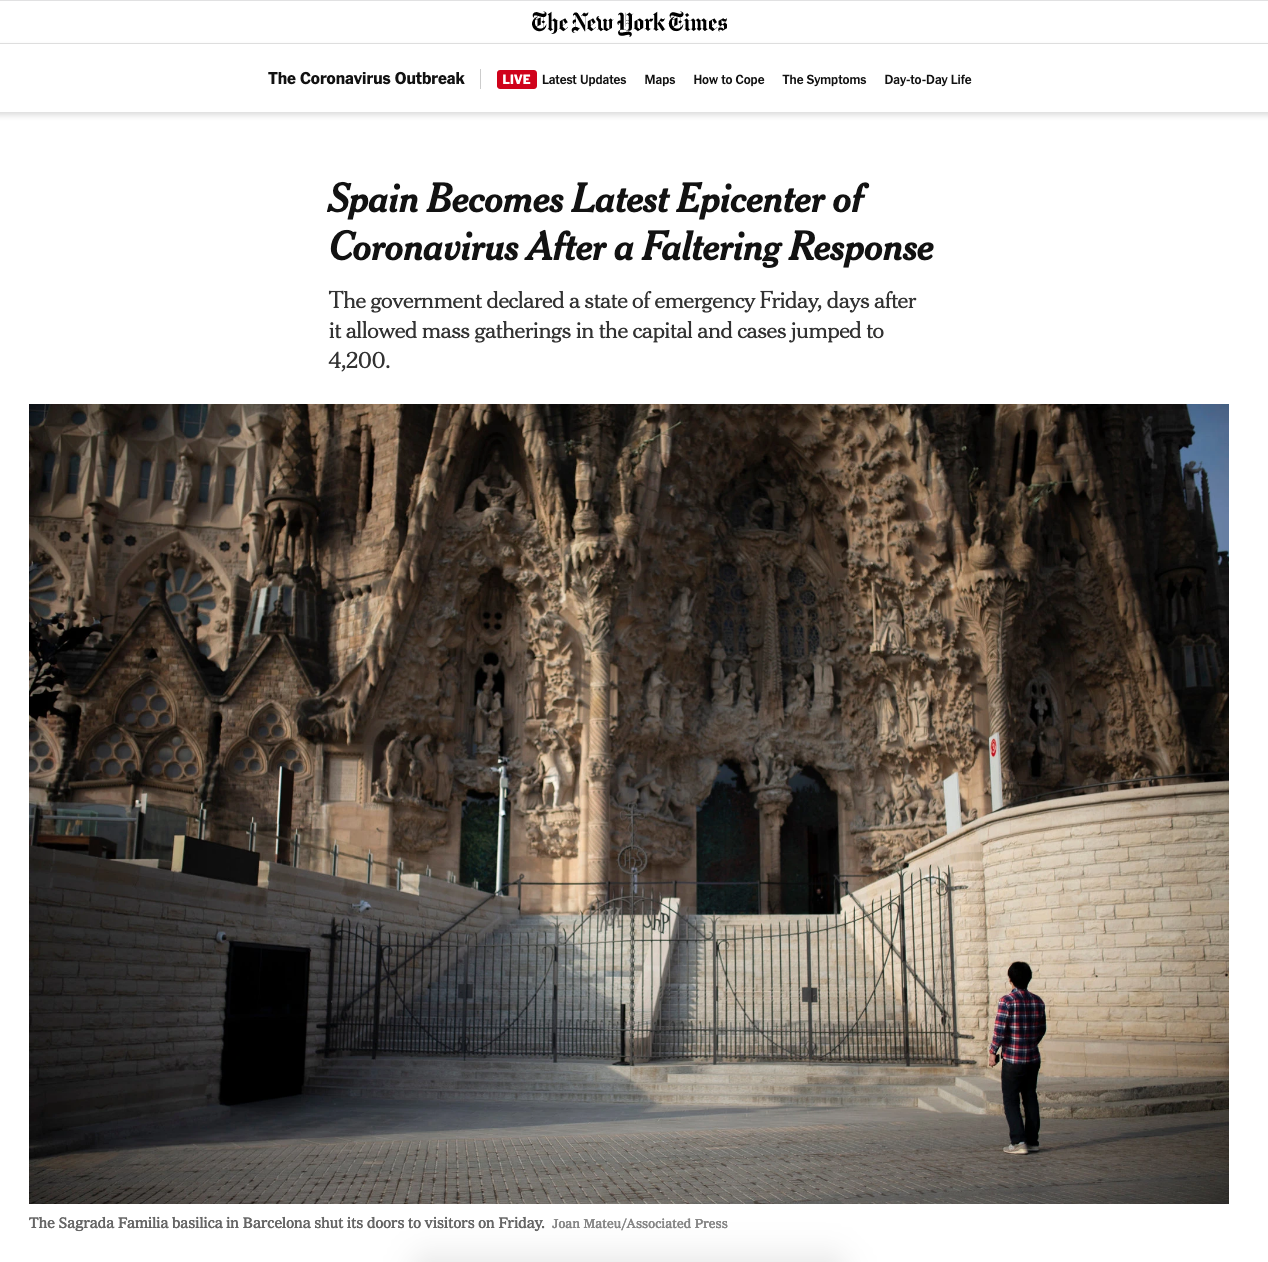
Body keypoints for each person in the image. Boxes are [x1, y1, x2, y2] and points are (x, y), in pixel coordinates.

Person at [988, 960, 1046, 1154]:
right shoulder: (1038, 1001)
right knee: (1030, 1097)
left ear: (1010, 980)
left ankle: (1018, 1141)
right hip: (1032, 1058)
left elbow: (1000, 1029)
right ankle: (1032, 1141)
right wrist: (1030, 1043)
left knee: (1010, 1100)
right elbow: (1041, 1029)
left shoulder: (1007, 1001)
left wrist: (993, 1051)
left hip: (1013, 1059)